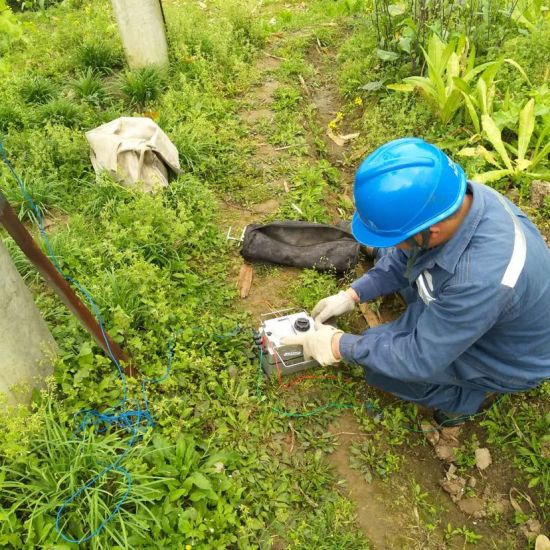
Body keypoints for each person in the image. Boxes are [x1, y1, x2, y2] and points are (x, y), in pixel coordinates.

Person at [283, 138, 550, 425]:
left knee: (383, 363)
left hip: (501, 355)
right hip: (475, 304)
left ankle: (469, 397)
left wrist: (338, 345)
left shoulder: (480, 279)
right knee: (394, 247)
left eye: (404, 240)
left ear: (432, 232)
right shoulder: (453, 199)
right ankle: (392, 252)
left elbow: (419, 359)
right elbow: (409, 255)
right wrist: (354, 294)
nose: (402, 246)